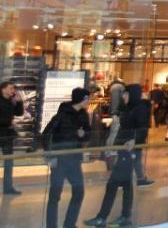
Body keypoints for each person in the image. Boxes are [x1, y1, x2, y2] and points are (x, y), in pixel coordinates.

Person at [83, 85, 150, 227]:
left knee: (113, 184)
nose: (123, 97)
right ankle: (125, 217)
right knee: (126, 185)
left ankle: (103, 217)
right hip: (123, 149)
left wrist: (134, 140)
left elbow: (143, 128)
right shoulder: (127, 108)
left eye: (126, 94)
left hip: (129, 150)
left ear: (132, 95)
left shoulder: (140, 108)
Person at [41, 88, 91, 228]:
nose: (89, 101)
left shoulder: (84, 115)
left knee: (79, 192)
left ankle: (69, 224)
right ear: (82, 99)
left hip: (74, 160)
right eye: (87, 99)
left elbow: (88, 133)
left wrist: (84, 135)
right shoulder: (62, 115)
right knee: (55, 195)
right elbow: (46, 134)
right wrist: (50, 154)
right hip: (59, 160)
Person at [0, 81, 24, 195]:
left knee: (9, 162)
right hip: (3, 132)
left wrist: (19, 102)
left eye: (13, 89)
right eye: (10, 88)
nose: (13, 91)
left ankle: (8, 188)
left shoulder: (11, 101)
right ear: (3, 89)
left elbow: (19, 113)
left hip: (7, 135)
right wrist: (8, 122)